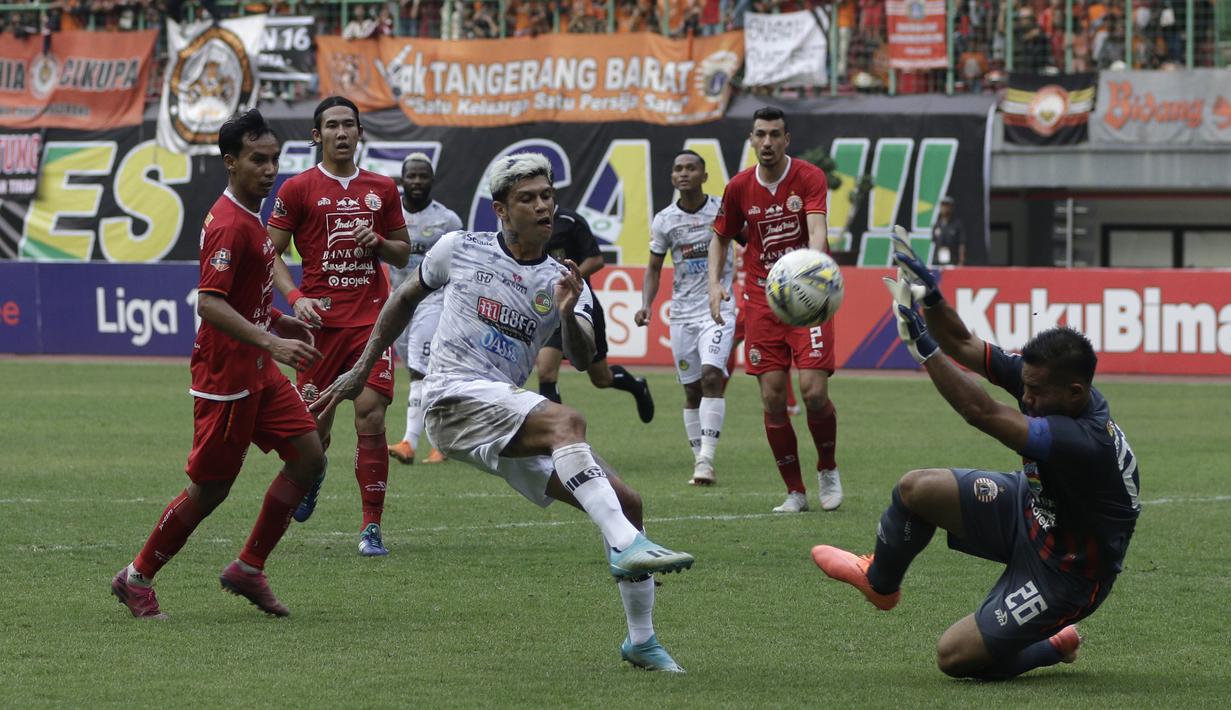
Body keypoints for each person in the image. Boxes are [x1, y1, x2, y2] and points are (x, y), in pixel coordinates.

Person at [310, 153, 695, 671]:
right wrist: (363, 368)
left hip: (501, 416)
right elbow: (404, 297)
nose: (542, 206)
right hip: (452, 399)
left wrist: (566, 313)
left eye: (547, 196)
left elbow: (582, 357)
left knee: (627, 500)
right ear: (501, 210)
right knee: (568, 422)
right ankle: (627, 545)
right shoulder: (460, 247)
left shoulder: (561, 278)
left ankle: (641, 641)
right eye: (527, 198)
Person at [812, 228, 1141, 679]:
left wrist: (922, 349)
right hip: (1028, 509)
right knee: (916, 489)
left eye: (1035, 392)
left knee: (954, 657)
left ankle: (1051, 647)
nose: (1026, 396)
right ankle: (879, 583)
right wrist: (930, 297)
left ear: (1075, 392)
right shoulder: (1047, 383)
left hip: (1067, 572)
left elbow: (980, 411)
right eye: (1022, 384)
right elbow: (965, 344)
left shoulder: (1083, 441)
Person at [110, 109, 326, 620]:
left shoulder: (251, 217)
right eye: (257, 159)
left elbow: (240, 294)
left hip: (257, 366)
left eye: (274, 158)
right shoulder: (230, 224)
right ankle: (136, 577)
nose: (270, 169)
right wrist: (272, 342)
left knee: (309, 454)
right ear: (231, 163)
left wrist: (278, 320)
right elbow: (209, 303)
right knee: (211, 489)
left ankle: (249, 567)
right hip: (227, 377)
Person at [268, 96, 412, 557]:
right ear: (317, 136)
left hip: (372, 322)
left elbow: (403, 252)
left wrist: (380, 242)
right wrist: (296, 298)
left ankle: (371, 528)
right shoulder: (297, 189)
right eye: (332, 126)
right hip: (320, 329)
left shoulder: (382, 188)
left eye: (349, 125)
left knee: (370, 417)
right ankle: (314, 469)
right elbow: (270, 253)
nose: (342, 133)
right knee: (312, 431)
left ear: (360, 132)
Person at [707, 106, 842, 514]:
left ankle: (828, 469)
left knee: (814, 392)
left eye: (775, 135)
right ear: (751, 139)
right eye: (760, 135)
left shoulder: (808, 177)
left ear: (787, 139)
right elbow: (720, 237)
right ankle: (796, 492)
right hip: (762, 301)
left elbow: (817, 229)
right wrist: (715, 284)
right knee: (772, 397)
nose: (767, 142)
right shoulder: (738, 187)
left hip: (808, 299)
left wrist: (811, 272)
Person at [635, 150, 732, 486]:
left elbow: (748, 240)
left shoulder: (722, 208)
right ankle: (698, 457)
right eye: (678, 169)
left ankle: (707, 459)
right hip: (681, 314)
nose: (684, 173)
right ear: (672, 177)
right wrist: (647, 304)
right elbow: (653, 267)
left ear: (705, 175)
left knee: (710, 377)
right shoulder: (664, 220)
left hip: (718, 307)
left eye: (692, 168)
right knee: (691, 390)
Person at [535, 205, 655, 424]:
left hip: (580, 304)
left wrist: (570, 278)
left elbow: (596, 260)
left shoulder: (571, 222)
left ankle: (637, 386)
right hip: (549, 307)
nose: (538, 201)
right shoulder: (528, 225)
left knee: (601, 378)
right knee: (545, 373)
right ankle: (554, 439)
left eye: (544, 193)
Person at [387, 152, 463, 466]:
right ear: (403, 180)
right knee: (419, 368)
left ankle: (410, 441)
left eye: (423, 176)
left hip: (431, 299)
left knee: (420, 367)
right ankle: (443, 442)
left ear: (432, 180)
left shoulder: (448, 220)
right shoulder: (389, 215)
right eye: (412, 176)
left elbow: (461, 261)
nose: (417, 181)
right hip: (398, 297)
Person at [932, 195, 966, 266]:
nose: (944, 208)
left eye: (946, 205)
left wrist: (961, 262)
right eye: (942, 205)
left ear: (951, 207)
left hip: (952, 261)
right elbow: (934, 241)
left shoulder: (957, 224)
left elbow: (961, 243)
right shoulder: (937, 224)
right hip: (938, 261)